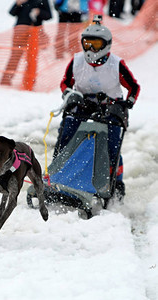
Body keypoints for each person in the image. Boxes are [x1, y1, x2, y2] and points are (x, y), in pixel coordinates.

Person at [54, 15, 140, 195]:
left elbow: (133, 86)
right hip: (82, 106)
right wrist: (69, 95)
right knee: (67, 136)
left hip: (110, 109)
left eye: (96, 44)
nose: (91, 48)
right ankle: (60, 175)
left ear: (106, 45)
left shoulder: (116, 64)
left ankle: (114, 182)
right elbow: (65, 82)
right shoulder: (77, 61)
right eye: (87, 43)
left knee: (111, 146)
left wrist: (127, 103)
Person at [0, 0, 52, 86]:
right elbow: (12, 12)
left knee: (32, 57)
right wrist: (18, 4)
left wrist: (39, 12)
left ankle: (29, 81)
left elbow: (49, 16)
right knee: (15, 56)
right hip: (20, 30)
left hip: (35, 32)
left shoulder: (43, 1)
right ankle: (6, 79)